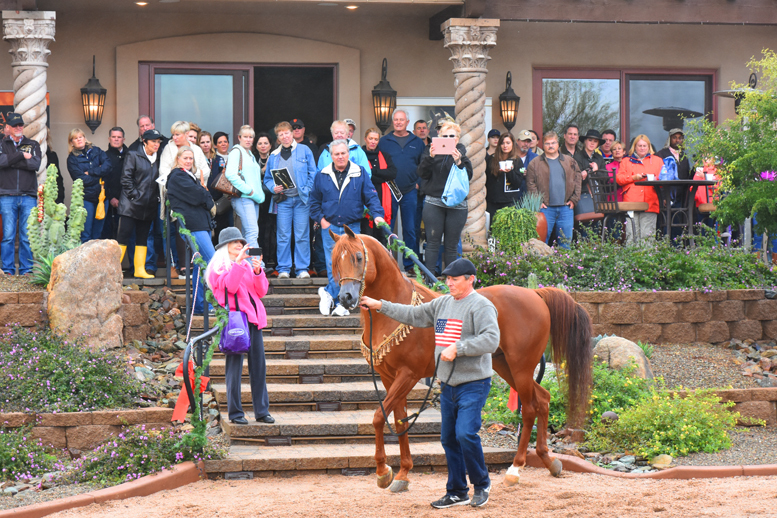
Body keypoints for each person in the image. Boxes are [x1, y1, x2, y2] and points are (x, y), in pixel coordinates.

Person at [359, 257, 499, 509]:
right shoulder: (442, 304)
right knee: (448, 439)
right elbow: (412, 314)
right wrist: (379, 305)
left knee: (465, 433)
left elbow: (491, 340)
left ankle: (481, 484)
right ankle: (457, 491)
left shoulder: (481, 306)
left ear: (470, 280)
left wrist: (460, 347)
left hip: (473, 383)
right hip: (447, 384)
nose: (449, 283)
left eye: (455, 279)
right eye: (447, 279)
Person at [205, 227, 273, 425]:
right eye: (234, 242)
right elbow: (230, 287)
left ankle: (262, 411)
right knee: (234, 369)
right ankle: (235, 413)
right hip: (234, 322)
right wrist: (238, 264)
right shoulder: (218, 269)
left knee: (259, 368)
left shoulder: (245, 265)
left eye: (241, 242)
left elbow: (261, 291)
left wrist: (258, 270)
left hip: (253, 320)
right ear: (224, 246)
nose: (239, 245)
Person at [309, 139, 385, 316]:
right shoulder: (322, 175)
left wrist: (378, 214)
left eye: (343, 153)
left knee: (351, 265)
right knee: (332, 264)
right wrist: (322, 220)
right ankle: (338, 300)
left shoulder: (360, 173)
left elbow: (371, 197)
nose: (340, 156)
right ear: (331, 156)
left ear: (348, 154)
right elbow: (313, 203)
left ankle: (333, 295)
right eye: (336, 154)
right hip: (330, 227)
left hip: (352, 227)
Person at [417, 121, 473, 273]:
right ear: (439, 136)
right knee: (432, 242)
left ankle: (451, 281)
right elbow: (422, 174)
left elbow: (468, 176)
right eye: (445, 136)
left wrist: (459, 162)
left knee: (451, 245)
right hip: (434, 201)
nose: (448, 138)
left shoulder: (461, 153)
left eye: (452, 136)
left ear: (457, 138)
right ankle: (430, 280)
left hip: (457, 205)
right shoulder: (430, 150)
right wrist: (430, 157)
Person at [166, 146, 216, 315]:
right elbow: (198, 196)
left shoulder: (189, 176)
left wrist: (204, 195)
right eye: (185, 158)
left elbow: (201, 196)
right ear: (178, 159)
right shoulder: (177, 175)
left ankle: (200, 305)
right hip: (193, 225)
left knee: (200, 266)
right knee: (211, 262)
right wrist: (206, 195)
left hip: (201, 224)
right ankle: (204, 304)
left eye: (191, 158)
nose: (188, 161)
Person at [265, 121, 317, 279]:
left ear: (292, 133)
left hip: (301, 200)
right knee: (283, 235)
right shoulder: (274, 155)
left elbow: (313, 173)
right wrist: (272, 187)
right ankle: (284, 269)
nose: (284, 136)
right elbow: (267, 179)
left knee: (301, 235)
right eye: (280, 135)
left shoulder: (305, 150)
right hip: (283, 201)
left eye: (286, 133)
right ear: (278, 138)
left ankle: (302, 269)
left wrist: (307, 189)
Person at [378, 109, 425, 272]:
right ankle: (387, 264)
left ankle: (410, 265)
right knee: (387, 227)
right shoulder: (384, 141)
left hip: (410, 190)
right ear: (393, 122)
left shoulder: (417, 142)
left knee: (410, 229)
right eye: (396, 120)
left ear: (407, 122)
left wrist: (418, 183)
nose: (398, 122)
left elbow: (424, 165)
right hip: (389, 189)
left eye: (401, 120)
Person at [117, 129, 163, 279]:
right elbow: (126, 179)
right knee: (123, 237)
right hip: (130, 205)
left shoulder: (159, 158)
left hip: (148, 206)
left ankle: (139, 270)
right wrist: (135, 196)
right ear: (144, 141)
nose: (156, 144)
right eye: (153, 142)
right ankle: (114, 271)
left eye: (158, 142)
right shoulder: (133, 155)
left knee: (142, 238)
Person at [0, 112, 41, 275]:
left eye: (21, 125)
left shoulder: (33, 144)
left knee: (26, 236)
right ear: (7, 127)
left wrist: (11, 161)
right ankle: (8, 270)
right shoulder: (2, 144)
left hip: (28, 196)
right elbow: (0, 162)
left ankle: (26, 271)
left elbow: (35, 165)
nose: (19, 128)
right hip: (6, 196)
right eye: (15, 125)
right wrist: (21, 155)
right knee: (8, 236)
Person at [525, 131, 581, 249]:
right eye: (547, 143)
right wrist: (538, 201)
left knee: (565, 244)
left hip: (566, 208)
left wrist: (574, 199)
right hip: (545, 209)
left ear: (558, 143)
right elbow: (530, 183)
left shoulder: (569, 161)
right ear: (543, 145)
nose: (550, 146)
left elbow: (578, 179)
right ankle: (541, 267)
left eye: (553, 143)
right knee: (541, 243)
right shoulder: (534, 163)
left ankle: (564, 266)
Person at [66, 128, 112, 243]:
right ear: (71, 142)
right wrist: (100, 175)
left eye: (80, 137)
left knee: (98, 232)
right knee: (86, 232)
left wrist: (91, 172)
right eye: (75, 138)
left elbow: (108, 167)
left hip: (102, 198)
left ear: (85, 138)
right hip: (87, 199)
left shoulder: (97, 151)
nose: (79, 140)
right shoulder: (72, 159)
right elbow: (81, 179)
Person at [226, 125, 265, 257]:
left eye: (251, 137)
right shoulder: (236, 151)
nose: (248, 140)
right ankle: (256, 265)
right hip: (244, 197)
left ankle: (245, 263)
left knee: (247, 233)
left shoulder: (250, 154)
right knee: (252, 232)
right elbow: (230, 175)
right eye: (245, 137)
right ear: (239, 138)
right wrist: (249, 191)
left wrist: (256, 195)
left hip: (253, 198)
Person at [616, 134, 662, 244]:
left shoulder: (658, 160)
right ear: (635, 147)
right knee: (631, 235)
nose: (642, 148)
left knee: (648, 236)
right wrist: (633, 177)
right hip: (632, 201)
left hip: (650, 202)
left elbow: (664, 179)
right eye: (639, 145)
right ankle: (631, 260)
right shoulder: (626, 161)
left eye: (644, 146)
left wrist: (656, 179)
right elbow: (619, 179)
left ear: (649, 147)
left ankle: (648, 260)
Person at [362, 127, 397, 244]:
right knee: (367, 233)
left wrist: (373, 172)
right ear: (365, 139)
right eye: (370, 138)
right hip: (365, 198)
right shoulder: (360, 155)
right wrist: (382, 175)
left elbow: (392, 173)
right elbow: (364, 176)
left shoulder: (385, 155)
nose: (373, 141)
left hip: (383, 197)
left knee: (382, 235)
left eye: (376, 139)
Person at [485, 132, 528, 220]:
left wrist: (509, 172)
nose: (505, 146)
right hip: (492, 202)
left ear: (512, 144)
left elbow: (517, 183)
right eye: (502, 143)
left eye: (508, 143)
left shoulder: (517, 160)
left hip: (509, 203)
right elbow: (486, 180)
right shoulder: (491, 159)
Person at [253, 132, 277, 273]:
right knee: (257, 231)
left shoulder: (274, 158)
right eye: (260, 143)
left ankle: (271, 261)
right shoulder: (252, 159)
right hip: (255, 199)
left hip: (271, 198)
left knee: (272, 229)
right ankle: (258, 261)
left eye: (266, 143)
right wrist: (263, 169)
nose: (263, 146)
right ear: (256, 145)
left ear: (270, 145)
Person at [208, 131, 234, 245]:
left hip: (235, 198)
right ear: (215, 145)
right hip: (220, 200)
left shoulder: (234, 157)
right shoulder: (213, 159)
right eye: (220, 142)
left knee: (233, 227)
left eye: (225, 141)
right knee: (220, 229)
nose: (223, 144)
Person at [102, 127, 127, 240]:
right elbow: (103, 180)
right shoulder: (103, 156)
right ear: (109, 139)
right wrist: (111, 197)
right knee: (109, 233)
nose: (116, 139)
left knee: (127, 235)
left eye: (119, 137)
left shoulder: (130, 156)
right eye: (113, 137)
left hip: (127, 201)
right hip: (110, 202)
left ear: (123, 139)